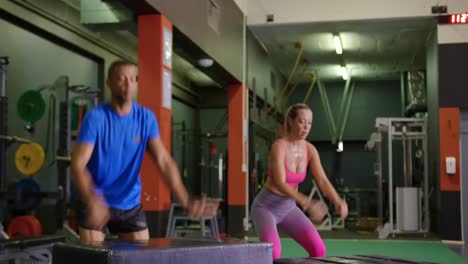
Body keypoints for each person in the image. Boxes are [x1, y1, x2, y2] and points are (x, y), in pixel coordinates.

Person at [71, 60, 208, 244]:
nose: (127, 85)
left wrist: (185, 200)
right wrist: (92, 200)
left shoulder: (145, 118)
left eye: (132, 79)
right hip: (96, 200)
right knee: (96, 257)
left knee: (142, 257)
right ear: (109, 83)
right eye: (121, 79)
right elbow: (78, 165)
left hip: (129, 203)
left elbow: (164, 161)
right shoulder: (96, 118)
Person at [251, 103, 348, 259]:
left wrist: (337, 200)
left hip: (288, 208)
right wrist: (308, 203)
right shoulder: (279, 146)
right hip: (266, 207)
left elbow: (322, 180)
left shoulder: (310, 150)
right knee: (274, 252)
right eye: (302, 122)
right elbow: (281, 183)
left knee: (319, 250)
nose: (306, 127)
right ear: (290, 121)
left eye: (309, 123)